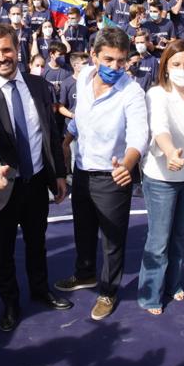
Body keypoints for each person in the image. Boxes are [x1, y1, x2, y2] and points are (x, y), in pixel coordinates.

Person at [0, 24, 72, 332]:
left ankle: (40, 289)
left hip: (37, 182)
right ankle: (10, 303)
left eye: (6, 50)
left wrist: (59, 176)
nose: (2, 57)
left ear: (18, 49)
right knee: (3, 250)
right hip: (2, 186)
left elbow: (50, 133)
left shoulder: (39, 86)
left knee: (37, 242)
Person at [56, 27, 148, 321]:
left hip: (112, 176)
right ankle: (84, 274)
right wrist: (67, 140)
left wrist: (128, 163)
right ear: (93, 56)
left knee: (112, 239)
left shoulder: (132, 92)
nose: (114, 67)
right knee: (82, 228)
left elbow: (139, 135)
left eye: (121, 61)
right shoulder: (83, 77)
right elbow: (81, 114)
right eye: (108, 60)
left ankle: (108, 291)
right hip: (81, 170)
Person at [138, 40, 184, 315]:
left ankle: (173, 282)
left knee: (180, 235)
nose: (182, 69)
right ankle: (150, 295)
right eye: (176, 64)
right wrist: (169, 152)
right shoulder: (157, 94)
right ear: (165, 67)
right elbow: (159, 129)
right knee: (159, 239)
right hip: (162, 176)